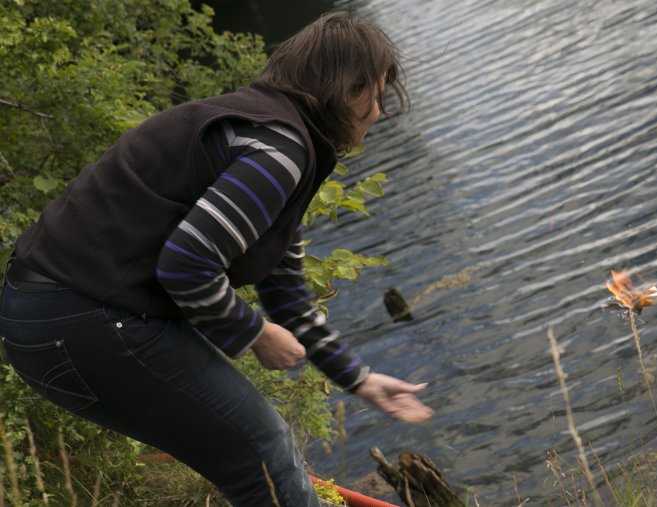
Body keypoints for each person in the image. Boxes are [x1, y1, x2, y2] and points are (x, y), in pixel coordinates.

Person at [0, 12, 432, 506]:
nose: (378, 110)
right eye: (373, 93)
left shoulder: (270, 132)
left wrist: (360, 378)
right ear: (342, 88)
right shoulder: (279, 149)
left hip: (52, 319)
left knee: (248, 457)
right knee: (264, 453)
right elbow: (186, 264)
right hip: (81, 322)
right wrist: (255, 333)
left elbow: (284, 285)